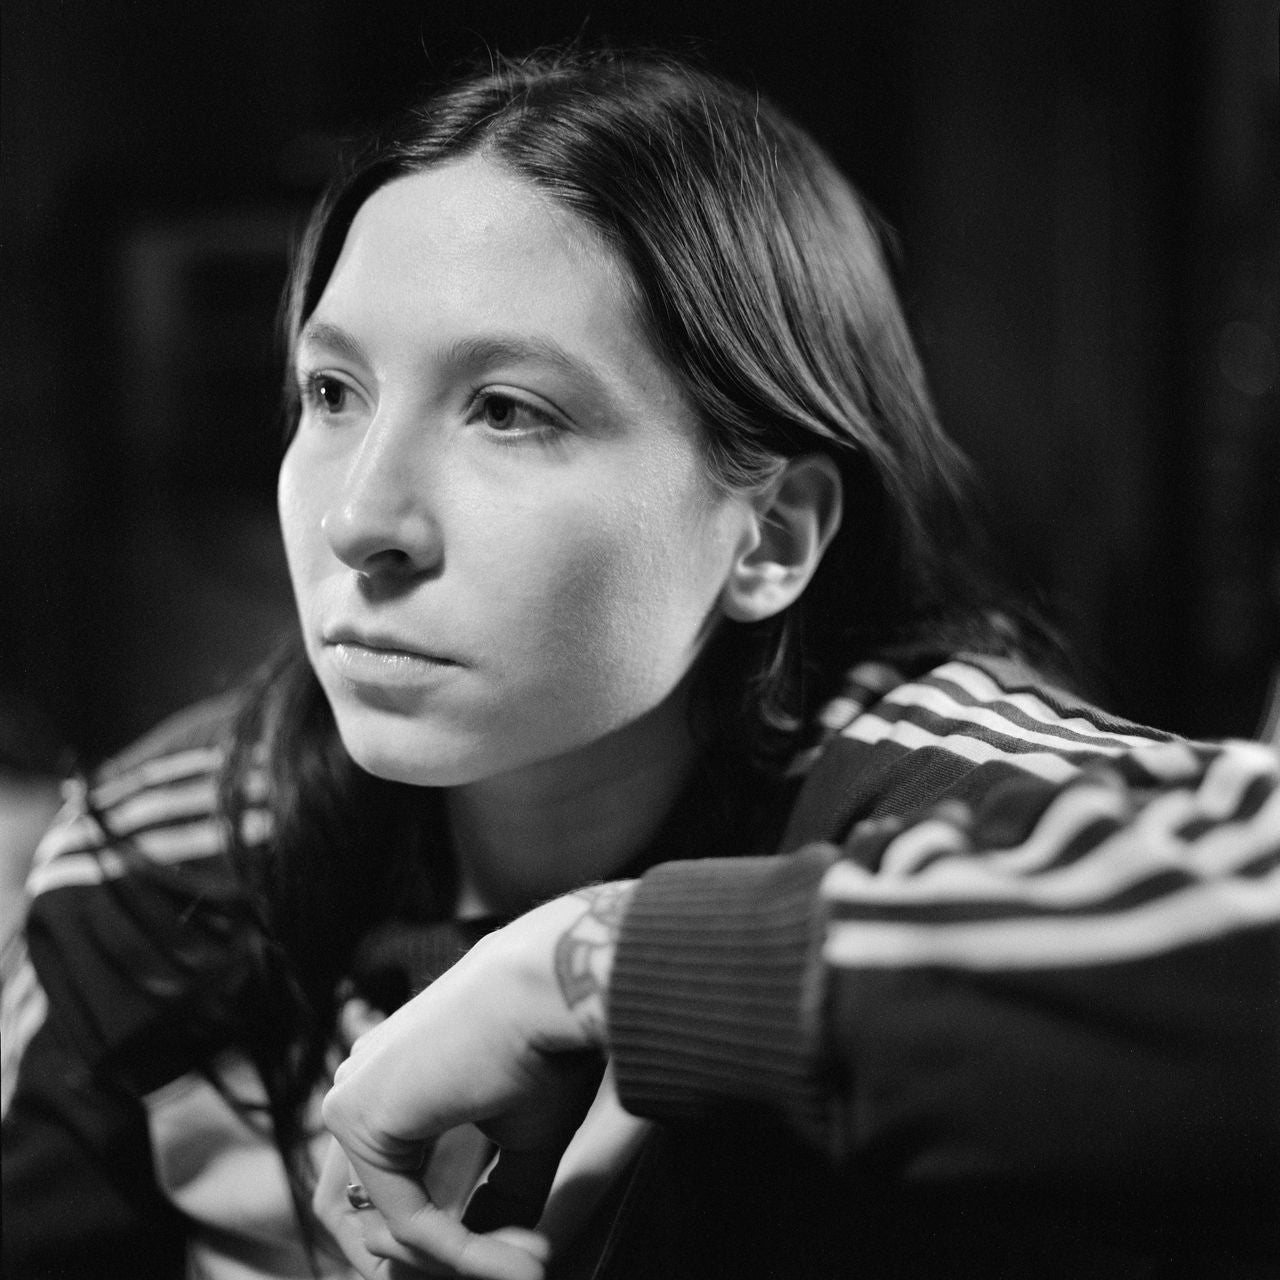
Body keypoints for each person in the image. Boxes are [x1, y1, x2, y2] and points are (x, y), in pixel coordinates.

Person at [2, 46, 1277, 1280]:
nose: (358, 517)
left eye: (508, 409)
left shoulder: (933, 792)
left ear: (769, 538)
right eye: (333, 392)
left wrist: (594, 966)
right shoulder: (171, 854)